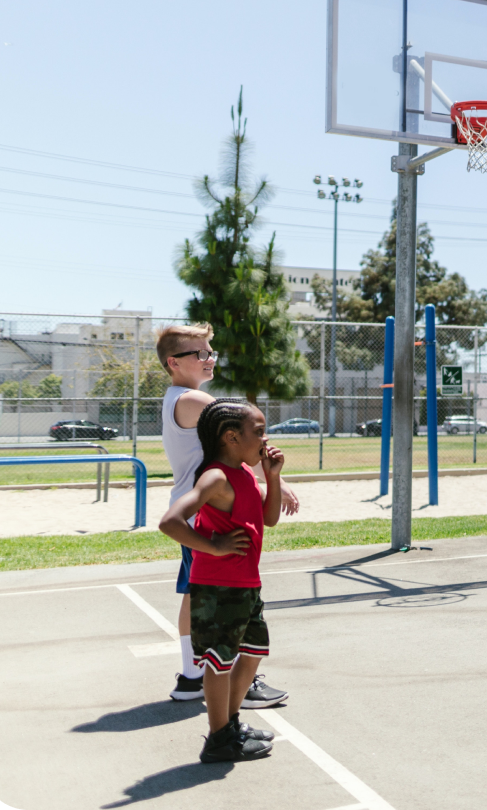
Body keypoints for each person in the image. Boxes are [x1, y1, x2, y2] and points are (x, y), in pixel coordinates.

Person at [155, 323, 291, 708]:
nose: (209, 358)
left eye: (210, 351)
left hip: (200, 507)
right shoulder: (194, 400)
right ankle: (232, 681)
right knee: (227, 599)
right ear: (173, 362)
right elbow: (238, 432)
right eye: (200, 353)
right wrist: (276, 480)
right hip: (209, 512)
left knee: (196, 594)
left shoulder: (176, 398)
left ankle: (192, 675)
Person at [158, 400, 283, 763]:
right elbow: (170, 521)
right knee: (219, 661)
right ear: (231, 437)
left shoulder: (244, 472)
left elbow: (269, 518)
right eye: (259, 432)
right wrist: (213, 546)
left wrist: (272, 476)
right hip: (218, 586)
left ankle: (228, 725)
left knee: (253, 652)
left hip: (245, 584)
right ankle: (218, 740)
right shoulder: (216, 477)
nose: (265, 439)